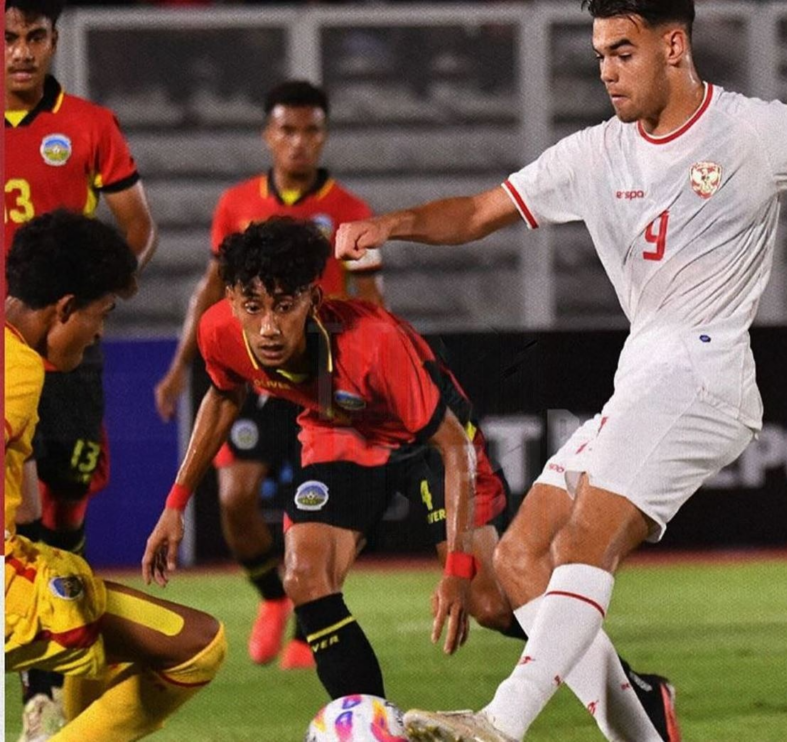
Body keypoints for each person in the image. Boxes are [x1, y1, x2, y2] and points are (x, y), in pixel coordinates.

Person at [335, 0, 787, 739]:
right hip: (641, 377)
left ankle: (499, 725)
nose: (606, 71)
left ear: (673, 44)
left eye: (622, 51)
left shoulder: (756, 131)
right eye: (600, 54)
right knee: (518, 558)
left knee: (582, 540)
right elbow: (482, 211)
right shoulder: (595, 155)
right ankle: (642, 726)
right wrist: (393, 224)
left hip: (705, 371)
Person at [142, 216, 521, 704]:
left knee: (486, 603)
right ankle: (368, 731)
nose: (269, 327)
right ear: (231, 300)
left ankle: (614, 674)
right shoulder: (220, 331)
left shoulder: (373, 344)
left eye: (284, 306)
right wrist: (176, 503)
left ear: (312, 300)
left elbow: (453, 447)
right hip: (338, 427)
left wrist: (455, 571)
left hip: (426, 438)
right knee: (304, 577)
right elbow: (222, 397)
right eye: (253, 307)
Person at [153, 79, 383, 670]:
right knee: (234, 497)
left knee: (322, 507)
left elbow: (372, 300)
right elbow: (210, 291)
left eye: (310, 131)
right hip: (261, 379)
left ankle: (313, 621)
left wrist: (368, 375)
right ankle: (273, 599)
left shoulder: (352, 213)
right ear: (268, 135)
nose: (299, 142)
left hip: (326, 382)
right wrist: (181, 366)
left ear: (324, 136)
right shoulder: (237, 205)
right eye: (287, 130)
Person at [5, 209, 226, 742]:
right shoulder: (19, 368)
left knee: (101, 645)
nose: (100, 330)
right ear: (64, 308)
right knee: (198, 645)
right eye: (101, 313)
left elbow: (29, 509)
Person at [5, 0, 158, 733]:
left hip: (64, 357)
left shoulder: (92, 125)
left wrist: (95, 299)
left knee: (60, 509)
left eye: (36, 38)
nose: (22, 53)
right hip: (8, 351)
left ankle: (43, 685)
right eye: (9, 38)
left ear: (54, 41)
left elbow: (137, 229)